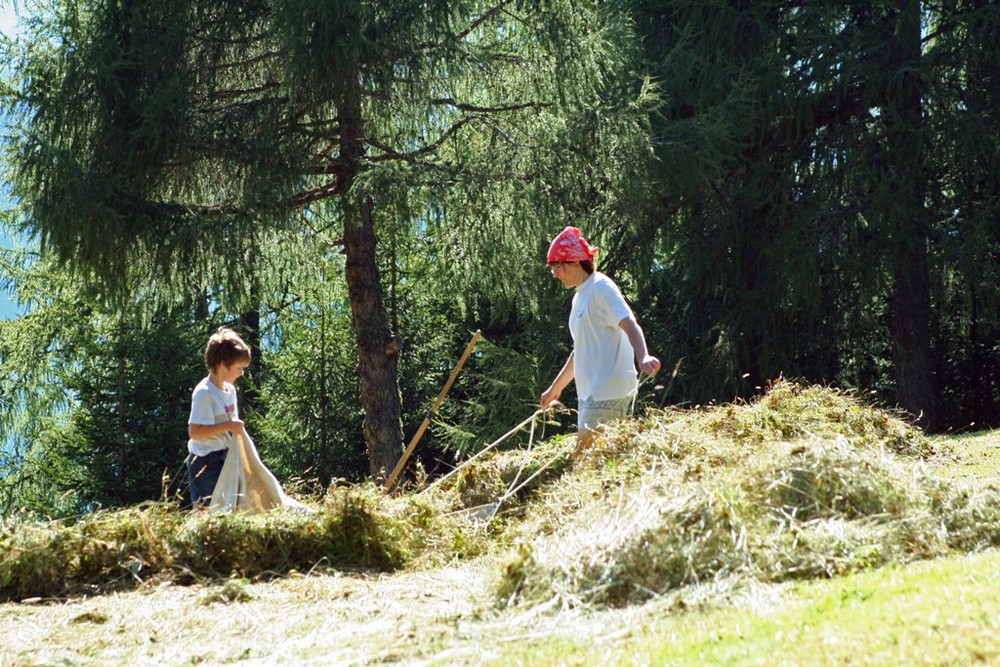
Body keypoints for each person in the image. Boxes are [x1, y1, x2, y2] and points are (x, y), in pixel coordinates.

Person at [540, 226, 661, 459]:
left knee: (584, 459)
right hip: (590, 394)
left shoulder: (601, 287)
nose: (555, 274)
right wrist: (556, 388)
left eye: (558, 267)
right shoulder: (579, 296)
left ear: (575, 262)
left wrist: (642, 355)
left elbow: (629, 323)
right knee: (602, 459)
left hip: (608, 389)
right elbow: (580, 352)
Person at [186, 327, 251, 507]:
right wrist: (229, 425)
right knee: (208, 508)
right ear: (223, 365)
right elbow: (195, 432)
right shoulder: (204, 393)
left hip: (224, 456)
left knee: (229, 506)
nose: (241, 373)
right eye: (239, 368)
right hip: (204, 461)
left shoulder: (229, 390)